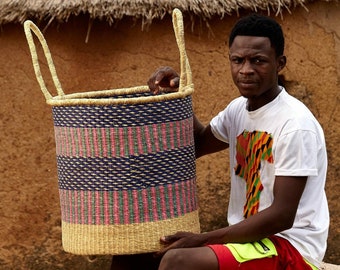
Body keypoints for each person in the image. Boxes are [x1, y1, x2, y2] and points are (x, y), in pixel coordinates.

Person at [146, 13, 329, 270]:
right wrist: (177, 98)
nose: (246, 70)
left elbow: (282, 216)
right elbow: (197, 145)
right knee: (135, 254)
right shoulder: (238, 111)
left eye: (258, 61)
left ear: (280, 63)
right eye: (237, 60)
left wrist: (202, 240)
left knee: (178, 261)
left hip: (289, 247)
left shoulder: (295, 125)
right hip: (247, 243)